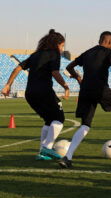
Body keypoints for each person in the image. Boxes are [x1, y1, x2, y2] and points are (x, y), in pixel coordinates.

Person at [58, 31, 111, 168]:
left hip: (85, 90)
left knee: (85, 125)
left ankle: (67, 157)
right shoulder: (109, 52)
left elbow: (69, 67)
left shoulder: (87, 52)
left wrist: (77, 77)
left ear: (100, 39)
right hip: (100, 88)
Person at [1, 29, 70, 161]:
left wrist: (8, 85)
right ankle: (46, 147)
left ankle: (42, 153)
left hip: (30, 94)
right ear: (57, 45)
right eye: (62, 46)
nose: (62, 49)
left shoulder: (36, 55)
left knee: (49, 120)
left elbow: (17, 68)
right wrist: (66, 86)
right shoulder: (54, 54)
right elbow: (55, 73)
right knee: (59, 119)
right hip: (44, 91)